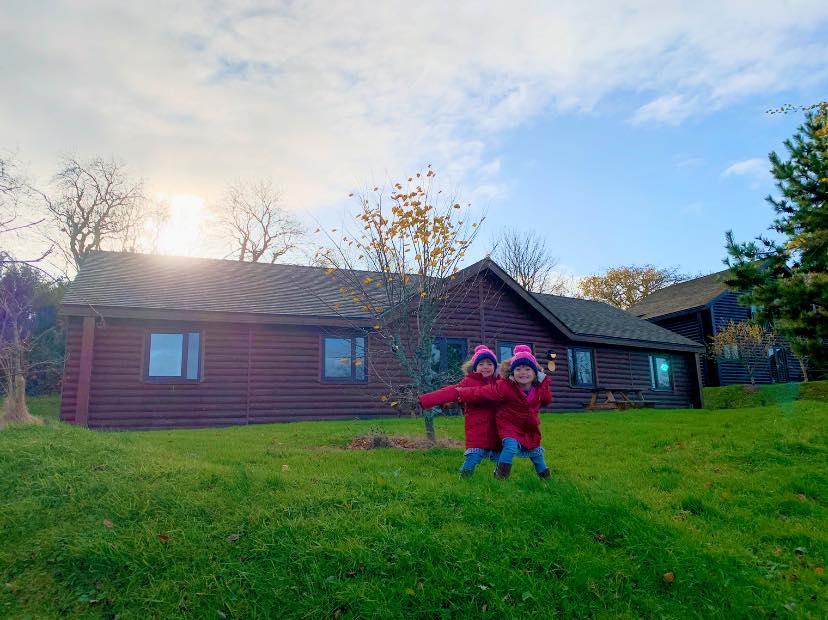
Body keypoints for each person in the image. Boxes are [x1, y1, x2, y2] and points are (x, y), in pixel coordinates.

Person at [454, 345, 552, 480]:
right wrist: (461, 393)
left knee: (536, 453)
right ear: (512, 373)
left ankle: (546, 479)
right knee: (506, 447)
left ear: (535, 373)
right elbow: (483, 392)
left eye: (528, 369)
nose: (523, 372)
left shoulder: (539, 389)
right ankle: (500, 478)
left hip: (529, 427)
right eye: (518, 369)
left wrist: (544, 385)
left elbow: (546, 400)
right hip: (509, 425)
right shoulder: (506, 386)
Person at [418, 345, 500, 477]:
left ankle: (500, 478)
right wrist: (426, 400)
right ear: (474, 367)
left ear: (495, 367)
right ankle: (465, 475)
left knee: (500, 455)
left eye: (490, 364)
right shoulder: (468, 382)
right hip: (477, 426)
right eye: (481, 364)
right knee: (474, 455)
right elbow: (449, 392)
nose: (486, 366)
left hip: (497, 427)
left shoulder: (500, 382)